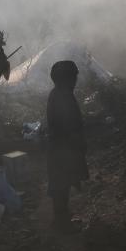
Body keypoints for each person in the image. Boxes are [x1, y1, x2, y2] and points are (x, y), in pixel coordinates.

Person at [47, 60, 88, 231]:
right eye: (73, 76)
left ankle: (62, 218)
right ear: (66, 78)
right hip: (63, 149)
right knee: (61, 184)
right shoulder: (62, 97)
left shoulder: (60, 93)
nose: (75, 79)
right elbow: (67, 125)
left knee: (63, 183)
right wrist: (77, 144)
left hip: (61, 148)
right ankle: (61, 223)